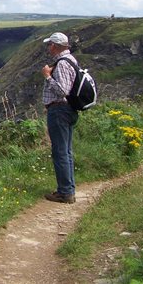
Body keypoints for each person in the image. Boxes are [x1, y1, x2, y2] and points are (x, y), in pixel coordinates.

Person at [41, 32, 79, 204]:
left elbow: (63, 90)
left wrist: (48, 76)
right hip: (67, 110)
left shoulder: (62, 64)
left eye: (50, 44)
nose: (48, 48)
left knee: (60, 152)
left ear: (55, 46)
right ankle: (68, 189)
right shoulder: (72, 60)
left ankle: (65, 193)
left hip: (60, 110)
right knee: (66, 151)